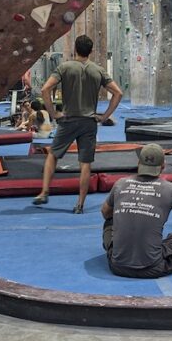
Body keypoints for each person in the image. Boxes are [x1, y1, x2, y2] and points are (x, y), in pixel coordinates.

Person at [34, 35, 124, 214]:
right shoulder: (98, 70)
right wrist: (105, 116)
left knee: (53, 155)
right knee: (85, 163)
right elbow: (118, 93)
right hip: (89, 122)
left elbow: (45, 90)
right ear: (91, 51)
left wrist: (53, 113)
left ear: (75, 49)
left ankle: (44, 191)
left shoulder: (65, 67)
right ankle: (80, 205)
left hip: (67, 120)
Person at [102, 143, 172, 278]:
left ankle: (124, 249)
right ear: (163, 167)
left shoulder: (120, 184)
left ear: (138, 163)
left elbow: (105, 213)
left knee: (109, 220)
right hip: (153, 267)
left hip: (117, 266)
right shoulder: (170, 189)